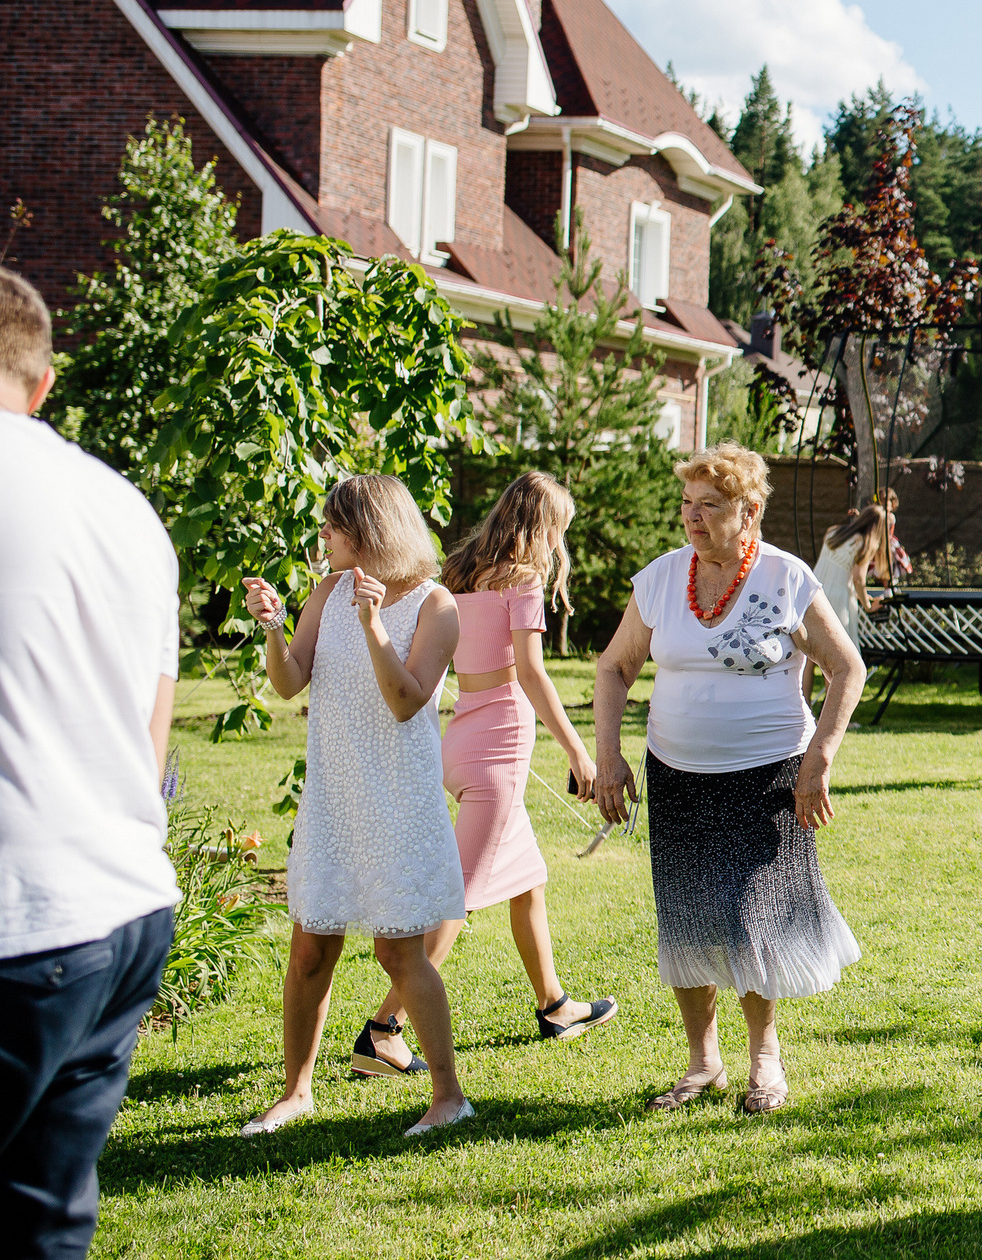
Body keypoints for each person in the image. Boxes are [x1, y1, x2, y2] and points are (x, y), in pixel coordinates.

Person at [0, 270, 180, 1260]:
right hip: (115, 906)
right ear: (44, 379)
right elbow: (151, 743)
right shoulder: (121, 506)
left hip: (16, 917)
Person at [590, 443, 867, 1116]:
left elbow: (846, 668)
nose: (692, 517)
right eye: (686, 504)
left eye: (709, 506)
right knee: (686, 916)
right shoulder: (660, 579)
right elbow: (613, 668)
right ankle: (702, 1060)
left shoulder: (785, 577)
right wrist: (609, 753)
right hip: (677, 773)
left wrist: (820, 756)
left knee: (753, 917)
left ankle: (764, 1059)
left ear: (751, 511)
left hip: (768, 775)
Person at [237, 475, 474, 1137]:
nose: (324, 539)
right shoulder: (327, 591)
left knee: (399, 953)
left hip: (396, 797)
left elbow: (405, 703)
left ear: (368, 530)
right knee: (311, 947)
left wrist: (373, 626)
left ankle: (449, 1095)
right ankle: (296, 1091)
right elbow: (289, 682)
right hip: (336, 794)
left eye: (332, 528)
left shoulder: (435, 606)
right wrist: (273, 628)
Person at [353, 473, 616, 1071]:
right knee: (459, 899)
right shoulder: (522, 579)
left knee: (528, 881)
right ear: (543, 527)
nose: (559, 546)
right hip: (496, 753)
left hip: (463, 738)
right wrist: (578, 751)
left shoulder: (459, 571)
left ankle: (554, 1005)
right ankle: (383, 1028)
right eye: (559, 532)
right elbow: (530, 671)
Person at [815, 498, 894, 631]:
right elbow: (858, 579)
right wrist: (868, 606)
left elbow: (834, 571)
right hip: (838, 601)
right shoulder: (864, 545)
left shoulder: (833, 532)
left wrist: (857, 594)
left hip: (815, 592)